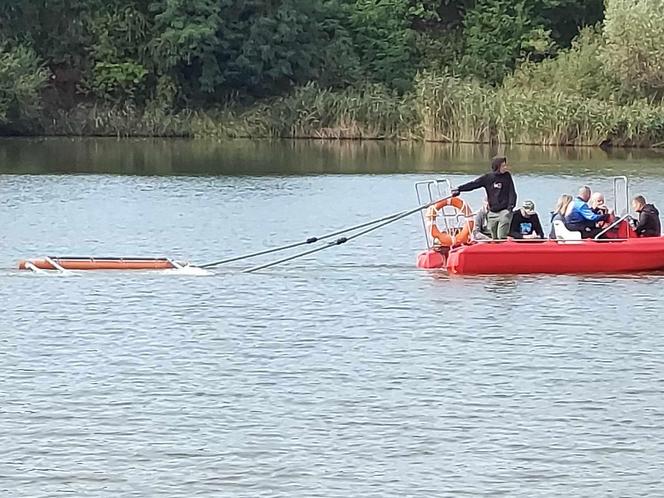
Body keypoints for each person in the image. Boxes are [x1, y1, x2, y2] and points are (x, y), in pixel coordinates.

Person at [451, 156, 517, 239]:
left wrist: (510, 208)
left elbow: (512, 192)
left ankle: (502, 244)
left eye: (505, 165)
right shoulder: (488, 178)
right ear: (497, 167)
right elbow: (474, 184)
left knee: (501, 236)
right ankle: (495, 251)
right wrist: (459, 189)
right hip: (492, 212)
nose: (505, 167)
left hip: (504, 211)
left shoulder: (507, 176)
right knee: (494, 237)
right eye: (503, 166)